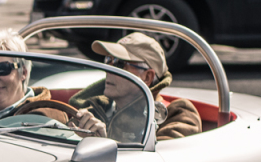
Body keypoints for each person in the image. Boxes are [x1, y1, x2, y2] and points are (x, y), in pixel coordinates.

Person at [70, 32, 202, 142]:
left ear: (146, 77)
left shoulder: (178, 115)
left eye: (119, 63)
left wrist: (104, 142)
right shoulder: (96, 107)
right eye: (108, 60)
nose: (108, 69)